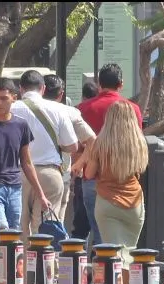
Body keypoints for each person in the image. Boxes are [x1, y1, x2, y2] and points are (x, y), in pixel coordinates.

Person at [81, 100, 147, 284]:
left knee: (112, 248)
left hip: (107, 201)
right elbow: (140, 169)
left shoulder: (100, 143)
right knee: (129, 249)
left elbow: (89, 173)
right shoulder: (139, 142)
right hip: (134, 201)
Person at [76, 64, 144, 257]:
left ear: (99, 84)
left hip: (96, 182)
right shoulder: (132, 109)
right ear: (121, 84)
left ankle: (103, 275)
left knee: (101, 241)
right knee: (127, 250)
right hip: (129, 185)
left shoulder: (83, 109)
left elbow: (77, 146)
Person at [0, 77, 51, 231]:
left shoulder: (21, 125)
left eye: (3, 98)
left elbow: (27, 163)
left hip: (15, 187)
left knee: (14, 233)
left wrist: (41, 195)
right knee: (0, 228)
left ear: (14, 98)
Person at [11, 70, 77, 239]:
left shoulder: (11, 108)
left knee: (19, 227)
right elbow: (72, 146)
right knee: (44, 230)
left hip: (17, 173)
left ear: (21, 89)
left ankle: (22, 256)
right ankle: (42, 256)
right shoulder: (58, 109)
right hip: (49, 173)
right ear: (43, 88)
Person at [42, 74, 96, 229]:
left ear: (42, 90)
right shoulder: (69, 112)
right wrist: (80, 163)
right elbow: (92, 140)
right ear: (61, 94)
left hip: (29, 172)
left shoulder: (24, 109)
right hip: (61, 172)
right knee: (56, 220)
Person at [70, 80, 100, 243]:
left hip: (83, 174)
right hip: (107, 176)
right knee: (100, 227)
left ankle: (78, 255)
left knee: (81, 225)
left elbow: (75, 147)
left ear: (83, 96)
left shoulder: (78, 111)